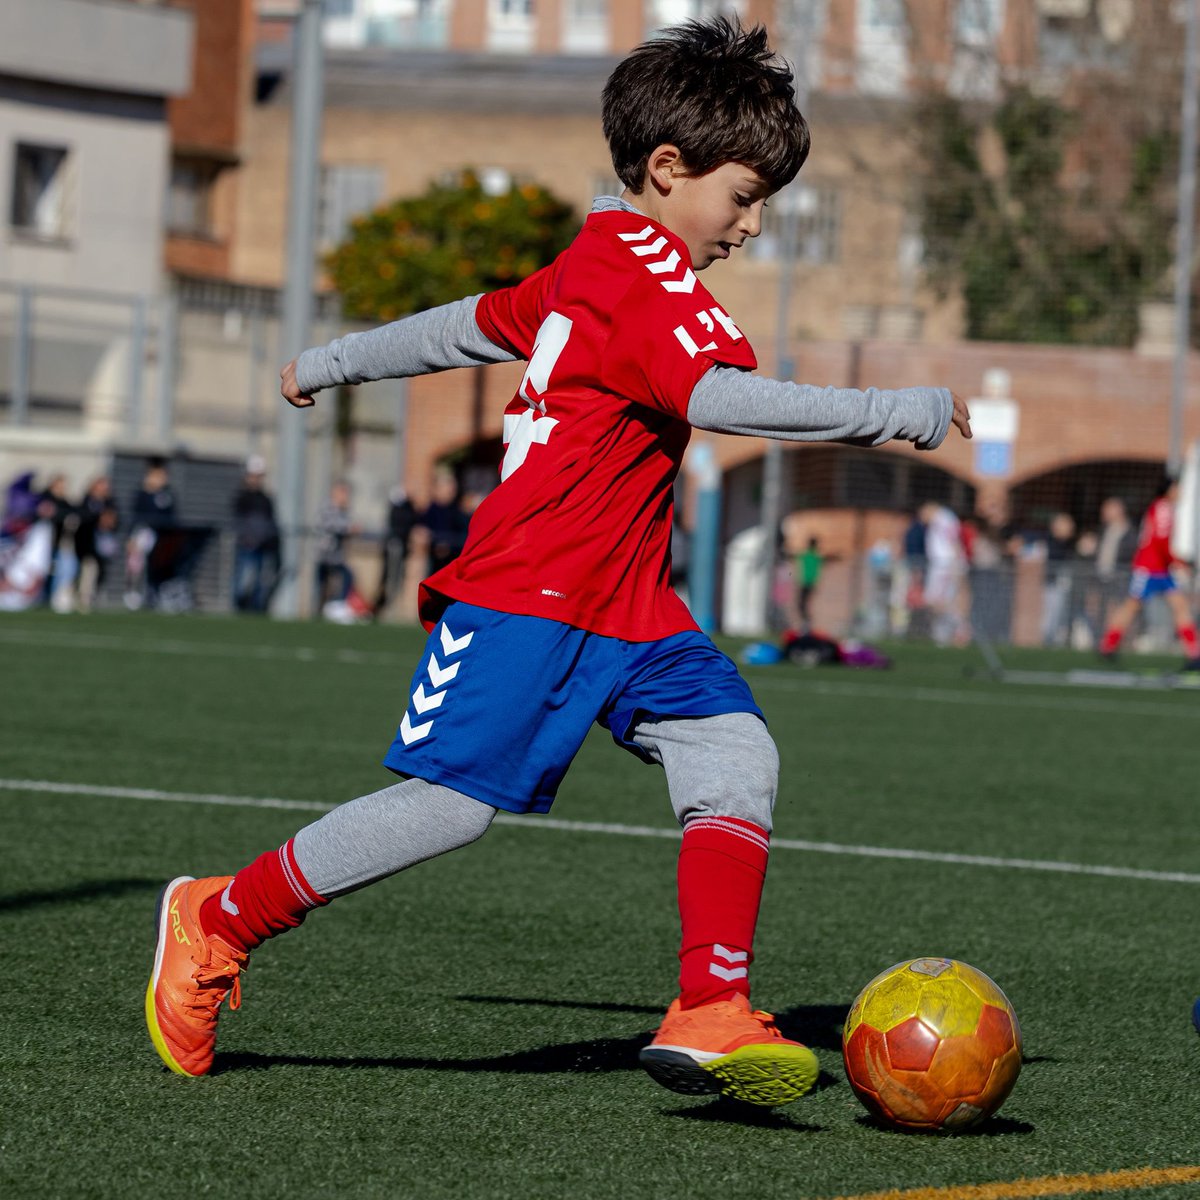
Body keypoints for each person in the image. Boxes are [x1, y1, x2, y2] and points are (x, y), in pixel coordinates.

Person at [145, 17, 971, 1106]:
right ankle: (217, 918)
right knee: (450, 809)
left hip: (628, 603)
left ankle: (711, 1004)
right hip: (528, 593)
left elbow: (469, 326)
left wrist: (334, 359)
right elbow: (716, 398)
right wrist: (888, 412)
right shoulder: (650, 284)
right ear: (668, 170)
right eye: (744, 195)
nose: (754, 223)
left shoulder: (597, 260)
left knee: (734, 754)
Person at [1099, 475, 1199, 668]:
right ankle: (1108, 645)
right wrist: (1179, 561)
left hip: (1162, 569)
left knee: (1180, 606)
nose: (1180, 492)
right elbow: (1159, 542)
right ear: (1169, 490)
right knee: (1131, 606)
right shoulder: (1162, 507)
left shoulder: (1165, 508)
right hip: (1148, 568)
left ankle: (1194, 653)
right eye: (1177, 488)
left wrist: (1174, 562)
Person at [231, 456, 281, 614]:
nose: (256, 479)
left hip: (262, 546)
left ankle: (254, 610)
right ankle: (238, 608)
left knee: (258, 581)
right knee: (242, 581)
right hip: (246, 545)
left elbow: (271, 523)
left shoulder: (265, 499)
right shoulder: (242, 497)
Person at [73, 475, 119, 613]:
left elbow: (116, 521)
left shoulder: (110, 502)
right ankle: (83, 600)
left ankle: (93, 597)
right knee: (89, 570)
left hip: (103, 544)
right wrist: (98, 518)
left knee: (100, 572)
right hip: (87, 543)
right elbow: (83, 518)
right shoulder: (87, 501)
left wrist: (110, 521)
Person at [373, 484, 419, 619]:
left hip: (401, 546)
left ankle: (391, 606)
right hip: (395, 546)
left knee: (397, 577)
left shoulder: (407, 508)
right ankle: (385, 607)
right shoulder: (399, 508)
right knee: (391, 577)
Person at [314, 480, 357, 615]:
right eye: (343, 493)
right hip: (326, 553)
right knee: (344, 576)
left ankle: (333, 606)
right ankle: (333, 606)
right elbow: (332, 525)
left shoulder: (342, 509)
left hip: (335, 554)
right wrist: (349, 529)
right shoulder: (329, 507)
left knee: (336, 579)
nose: (346, 497)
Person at [796, 536, 822, 629]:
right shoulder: (815, 556)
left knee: (802, 604)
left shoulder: (808, 555)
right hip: (808, 583)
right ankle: (806, 621)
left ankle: (807, 622)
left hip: (806, 582)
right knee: (803, 604)